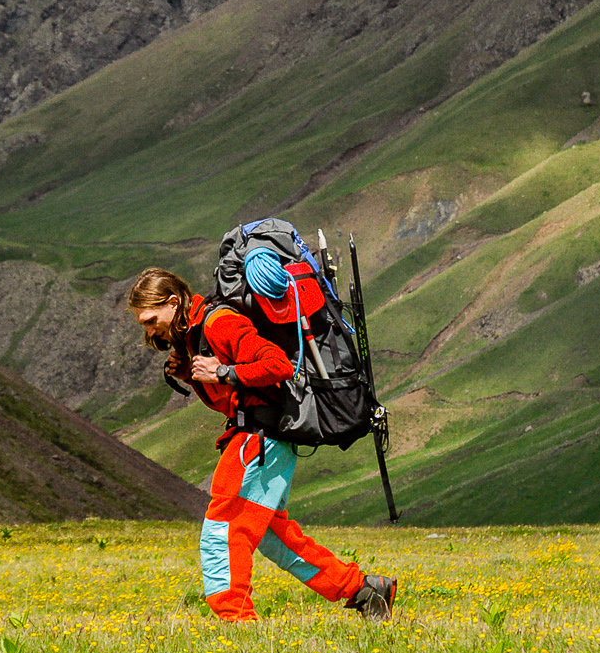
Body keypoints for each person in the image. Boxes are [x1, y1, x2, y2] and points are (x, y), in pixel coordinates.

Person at [127, 265, 399, 624]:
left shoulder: (219, 322)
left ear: (174, 303)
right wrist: (192, 376)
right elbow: (236, 399)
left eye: (150, 319)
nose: (149, 330)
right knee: (272, 535)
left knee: (222, 532)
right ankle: (363, 589)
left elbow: (279, 366)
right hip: (259, 437)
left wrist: (222, 372)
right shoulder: (197, 332)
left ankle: (237, 624)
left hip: (258, 442)